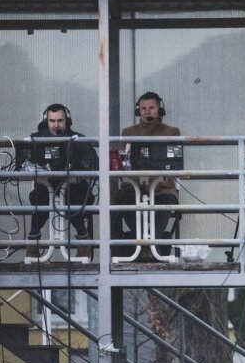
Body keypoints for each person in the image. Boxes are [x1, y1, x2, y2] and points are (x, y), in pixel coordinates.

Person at [112, 92, 180, 260]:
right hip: (133, 185)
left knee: (166, 203)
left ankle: (150, 246)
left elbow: (176, 162)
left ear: (159, 109)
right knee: (123, 201)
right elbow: (124, 163)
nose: (147, 112)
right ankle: (145, 245)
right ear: (138, 111)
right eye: (143, 108)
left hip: (162, 186)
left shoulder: (172, 131)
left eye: (151, 108)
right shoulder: (128, 132)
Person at [25, 104, 98, 259]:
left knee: (71, 197)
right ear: (46, 121)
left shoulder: (78, 140)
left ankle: (83, 241)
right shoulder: (35, 140)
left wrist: (78, 173)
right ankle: (32, 243)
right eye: (52, 121)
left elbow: (93, 165)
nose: (56, 125)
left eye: (60, 120)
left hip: (74, 189)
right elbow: (26, 164)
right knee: (40, 198)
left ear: (67, 121)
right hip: (45, 189)